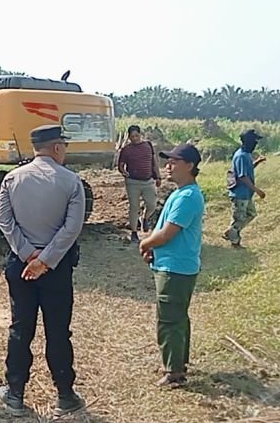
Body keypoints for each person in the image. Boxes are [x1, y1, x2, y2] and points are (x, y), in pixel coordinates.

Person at [0, 124, 86, 417]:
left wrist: (28, 254)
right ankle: (65, 395)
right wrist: (45, 260)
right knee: (58, 330)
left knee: (21, 328)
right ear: (57, 147)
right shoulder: (72, 182)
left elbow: (4, 221)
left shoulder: (11, 179)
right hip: (56, 269)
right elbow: (72, 228)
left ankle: (15, 394)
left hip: (21, 267)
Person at [138, 143, 205, 388]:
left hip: (176, 268)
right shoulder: (180, 193)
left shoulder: (188, 196)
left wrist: (145, 244)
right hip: (171, 264)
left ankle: (174, 373)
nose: (168, 166)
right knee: (176, 318)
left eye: (174, 162)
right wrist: (152, 247)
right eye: (168, 161)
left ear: (190, 165)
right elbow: (161, 231)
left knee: (170, 320)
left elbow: (167, 234)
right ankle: (177, 363)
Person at [117, 125, 162, 242]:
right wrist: (123, 172)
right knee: (134, 207)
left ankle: (145, 218)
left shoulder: (148, 146)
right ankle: (134, 232)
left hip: (148, 181)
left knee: (152, 204)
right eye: (132, 137)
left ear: (140, 135)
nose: (135, 139)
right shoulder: (126, 150)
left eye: (137, 136)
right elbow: (120, 165)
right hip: (133, 182)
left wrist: (158, 177)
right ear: (129, 137)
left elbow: (154, 162)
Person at [223, 129, 266, 248]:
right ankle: (235, 242)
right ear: (248, 142)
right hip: (240, 193)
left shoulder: (246, 154)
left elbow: (247, 169)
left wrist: (258, 162)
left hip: (246, 193)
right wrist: (257, 190)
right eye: (254, 141)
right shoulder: (241, 155)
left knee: (251, 214)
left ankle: (230, 231)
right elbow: (242, 176)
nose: (256, 144)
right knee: (239, 217)